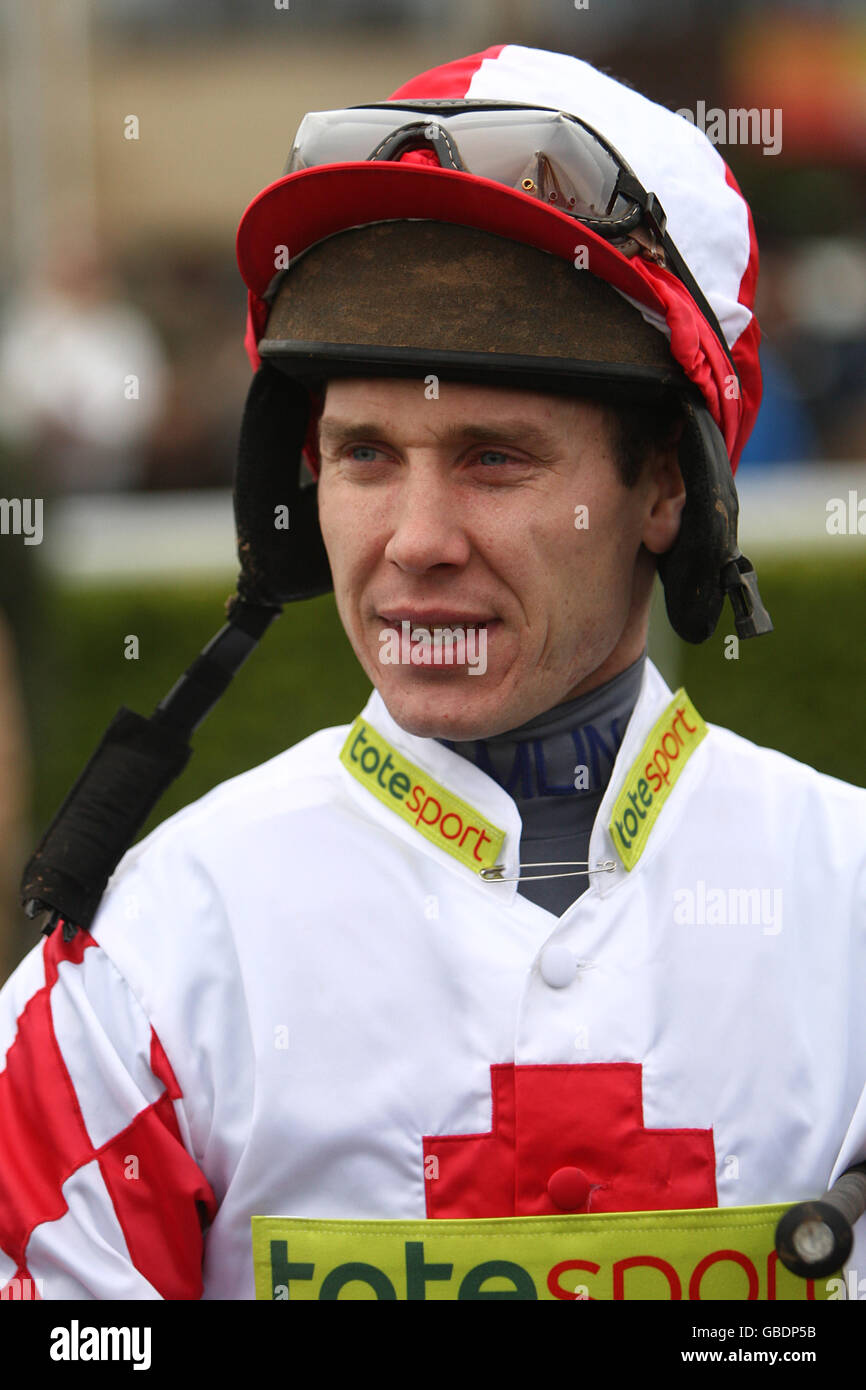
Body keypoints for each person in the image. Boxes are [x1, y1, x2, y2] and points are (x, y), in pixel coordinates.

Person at [1, 44, 864, 1304]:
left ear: (666, 489)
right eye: (360, 454)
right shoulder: (141, 969)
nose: (413, 540)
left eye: (493, 458)